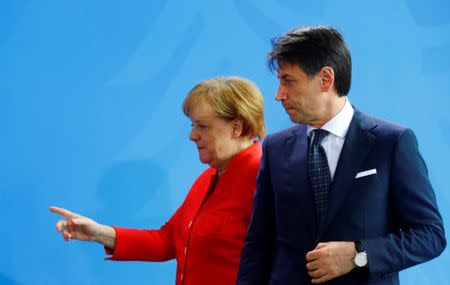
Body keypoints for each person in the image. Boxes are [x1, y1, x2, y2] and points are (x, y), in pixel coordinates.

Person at [237, 26, 446, 285]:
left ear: (326, 78)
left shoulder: (392, 142)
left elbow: (430, 236)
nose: (279, 94)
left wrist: (359, 254)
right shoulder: (274, 148)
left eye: (288, 81)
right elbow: (259, 242)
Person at [50, 76, 266, 285]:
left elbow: (280, 260)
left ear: (237, 127)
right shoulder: (210, 175)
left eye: (203, 126)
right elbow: (168, 240)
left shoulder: (263, 177)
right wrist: (98, 233)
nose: (192, 135)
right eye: (192, 125)